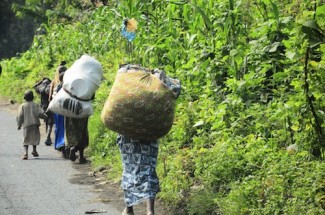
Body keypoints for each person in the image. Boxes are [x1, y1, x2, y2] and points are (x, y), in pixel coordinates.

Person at [117, 135, 160, 215]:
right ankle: (150, 211)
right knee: (148, 171)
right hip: (149, 136)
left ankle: (129, 210)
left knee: (129, 170)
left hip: (127, 137)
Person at [16, 90, 47, 160]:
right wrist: (45, 117)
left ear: (24, 98)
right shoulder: (36, 105)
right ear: (33, 97)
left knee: (26, 139)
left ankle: (25, 153)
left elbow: (20, 116)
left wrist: (19, 124)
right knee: (35, 138)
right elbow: (40, 113)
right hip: (35, 124)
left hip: (26, 125)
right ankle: (34, 150)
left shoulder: (22, 106)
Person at [49, 63, 67, 157]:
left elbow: (50, 97)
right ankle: (64, 145)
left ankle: (60, 145)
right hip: (66, 111)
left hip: (57, 109)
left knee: (59, 127)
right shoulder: (68, 85)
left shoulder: (55, 83)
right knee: (66, 127)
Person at [33, 77, 54, 146]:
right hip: (51, 107)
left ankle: (48, 138)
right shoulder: (51, 89)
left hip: (44, 108)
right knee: (50, 123)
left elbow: (34, 86)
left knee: (46, 122)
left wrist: (40, 82)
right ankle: (48, 138)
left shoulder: (40, 89)